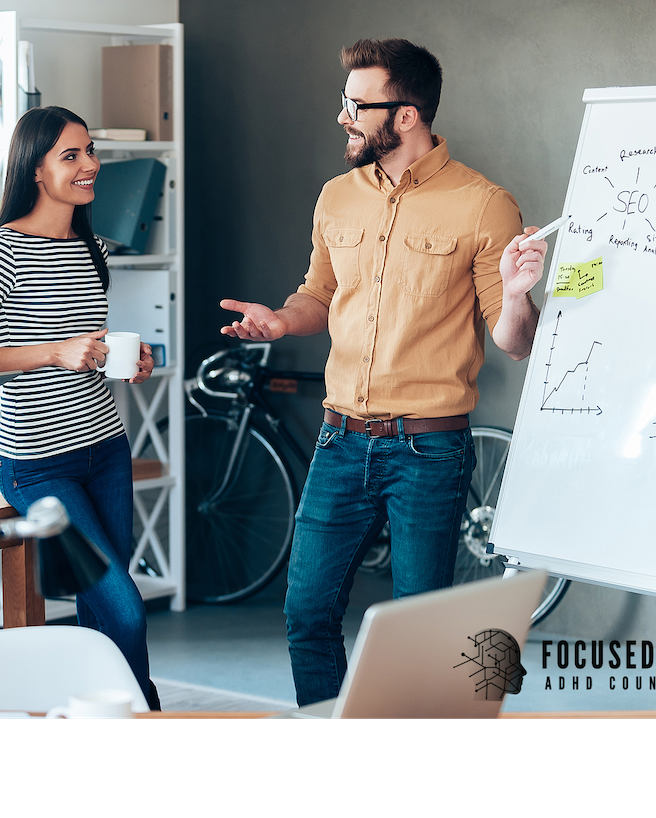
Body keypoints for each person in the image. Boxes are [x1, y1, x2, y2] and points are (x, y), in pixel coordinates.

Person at [220, 38, 548, 705]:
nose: (342, 116)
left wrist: (517, 295)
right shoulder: (337, 197)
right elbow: (318, 295)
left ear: (406, 116)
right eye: (344, 101)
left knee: (421, 636)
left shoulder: (484, 204)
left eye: (357, 105)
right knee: (307, 614)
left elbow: (514, 342)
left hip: (428, 450)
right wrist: (281, 321)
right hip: (339, 439)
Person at [0, 106, 160, 710]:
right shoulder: (0, 250)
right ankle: (145, 711)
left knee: (103, 612)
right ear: (34, 169)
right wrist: (54, 352)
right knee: (124, 606)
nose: (90, 164)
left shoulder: (94, 247)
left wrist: (127, 359)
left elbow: (85, 343)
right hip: (38, 464)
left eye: (90, 151)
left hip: (106, 450)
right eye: (71, 155)